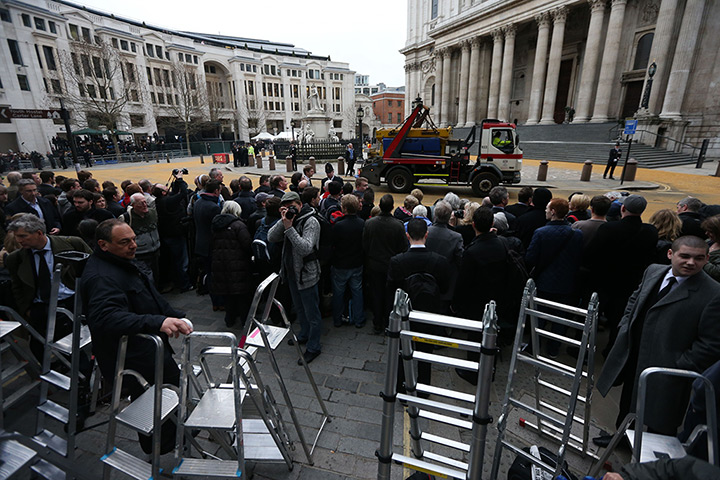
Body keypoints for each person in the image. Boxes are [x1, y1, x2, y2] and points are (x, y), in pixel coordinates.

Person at [80, 219, 192, 454]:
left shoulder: (122, 262)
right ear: (103, 244)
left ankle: (177, 435)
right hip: (135, 357)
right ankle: (164, 446)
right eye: (125, 242)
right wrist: (157, 322)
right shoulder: (103, 276)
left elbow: (150, 296)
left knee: (169, 394)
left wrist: (174, 315)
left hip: (148, 351)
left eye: (133, 239)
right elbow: (107, 317)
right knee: (157, 402)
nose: (133, 245)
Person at [596, 235, 720, 438]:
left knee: (663, 416)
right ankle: (621, 438)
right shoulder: (653, 271)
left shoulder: (714, 293)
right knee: (629, 400)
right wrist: (625, 325)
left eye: (698, 258)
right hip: (634, 355)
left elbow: (711, 343)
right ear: (670, 254)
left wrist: (680, 365)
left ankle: (654, 458)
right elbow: (635, 298)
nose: (691, 262)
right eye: (685, 256)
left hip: (669, 368)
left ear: (707, 259)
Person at [6, 214, 91, 360]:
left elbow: (93, 270)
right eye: (17, 236)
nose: (19, 240)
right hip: (41, 307)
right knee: (38, 346)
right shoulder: (16, 258)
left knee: (74, 344)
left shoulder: (72, 243)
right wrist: (27, 310)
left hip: (71, 302)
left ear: (39, 233)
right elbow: (17, 286)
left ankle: (81, 376)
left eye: (23, 236)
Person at [586, 194, 658, 354]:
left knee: (593, 316)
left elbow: (592, 253)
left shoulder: (609, 228)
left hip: (603, 280)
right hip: (629, 283)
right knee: (619, 319)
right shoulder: (650, 232)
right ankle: (612, 350)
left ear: (623, 208)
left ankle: (585, 350)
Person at [387, 218, 451, 387]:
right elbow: (444, 288)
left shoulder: (397, 261)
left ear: (408, 236)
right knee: (425, 354)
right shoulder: (440, 261)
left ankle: (401, 386)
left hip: (405, 314)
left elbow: (392, 289)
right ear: (426, 235)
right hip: (428, 313)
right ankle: (423, 387)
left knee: (402, 352)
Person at [453, 207, 511, 384]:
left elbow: (464, 281)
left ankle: (474, 372)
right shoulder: (502, 243)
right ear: (492, 224)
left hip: (476, 302)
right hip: (498, 298)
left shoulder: (472, 252)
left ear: (473, 224)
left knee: (475, 337)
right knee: (491, 336)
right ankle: (489, 369)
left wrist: (457, 304)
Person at [268, 191, 323, 364]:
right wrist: (283, 220)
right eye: (286, 207)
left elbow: (305, 248)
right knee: (299, 309)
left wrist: (289, 228)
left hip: (306, 274)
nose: (291, 209)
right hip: (291, 273)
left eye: (293, 206)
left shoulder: (311, 221)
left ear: (299, 204)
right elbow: (271, 237)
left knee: (312, 312)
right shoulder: (288, 219)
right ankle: (304, 334)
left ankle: (314, 347)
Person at [525, 198, 584, 357]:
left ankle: (533, 346)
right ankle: (553, 349)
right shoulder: (577, 234)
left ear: (553, 212)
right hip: (566, 283)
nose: (545, 211)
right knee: (560, 318)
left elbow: (530, 258)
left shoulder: (541, 232)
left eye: (547, 208)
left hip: (544, 282)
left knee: (539, 316)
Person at [363, 194, 407, 334]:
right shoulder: (398, 225)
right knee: (389, 295)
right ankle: (388, 321)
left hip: (374, 265)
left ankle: (377, 322)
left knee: (376, 293)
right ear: (393, 207)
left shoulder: (370, 223)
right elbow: (403, 247)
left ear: (380, 206)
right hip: (391, 266)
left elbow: (365, 245)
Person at [210, 201, 252, 329]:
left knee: (227, 293)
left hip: (220, 263)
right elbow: (247, 244)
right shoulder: (239, 225)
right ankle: (246, 322)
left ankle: (230, 319)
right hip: (238, 265)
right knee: (242, 295)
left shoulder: (216, 224)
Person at [329, 195, 365, 328]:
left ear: (344, 208)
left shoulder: (338, 226)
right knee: (357, 292)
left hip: (340, 264)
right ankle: (359, 319)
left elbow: (333, 244)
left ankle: (338, 319)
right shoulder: (362, 223)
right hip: (357, 262)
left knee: (338, 293)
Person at [122, 193, 160, 284]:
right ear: (133, 205)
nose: (144, 205)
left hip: (155, 250)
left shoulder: (152, 213)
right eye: (141, 203)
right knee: (147, 278)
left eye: (145, 202)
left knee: (156, 276)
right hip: (140, 254)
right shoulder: (126, 218)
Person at [702, 215, 720, 282]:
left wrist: (701, 260)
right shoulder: (710, 241)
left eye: (711, 232)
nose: (706, 233)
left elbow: (717, 272)